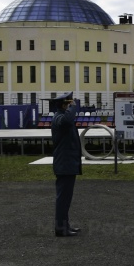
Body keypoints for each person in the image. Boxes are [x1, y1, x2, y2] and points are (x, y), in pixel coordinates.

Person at [51, 92, 82, 237]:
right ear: (64, 105)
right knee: (63, 199)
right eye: (69, 104)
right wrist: (73, 108)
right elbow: (67, 121)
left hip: (67, 164)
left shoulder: (61, 116)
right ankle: (61, 228)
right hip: (64, 165)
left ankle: (65, 225)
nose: (71, 106)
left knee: (66, 199)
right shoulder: (59, 117)